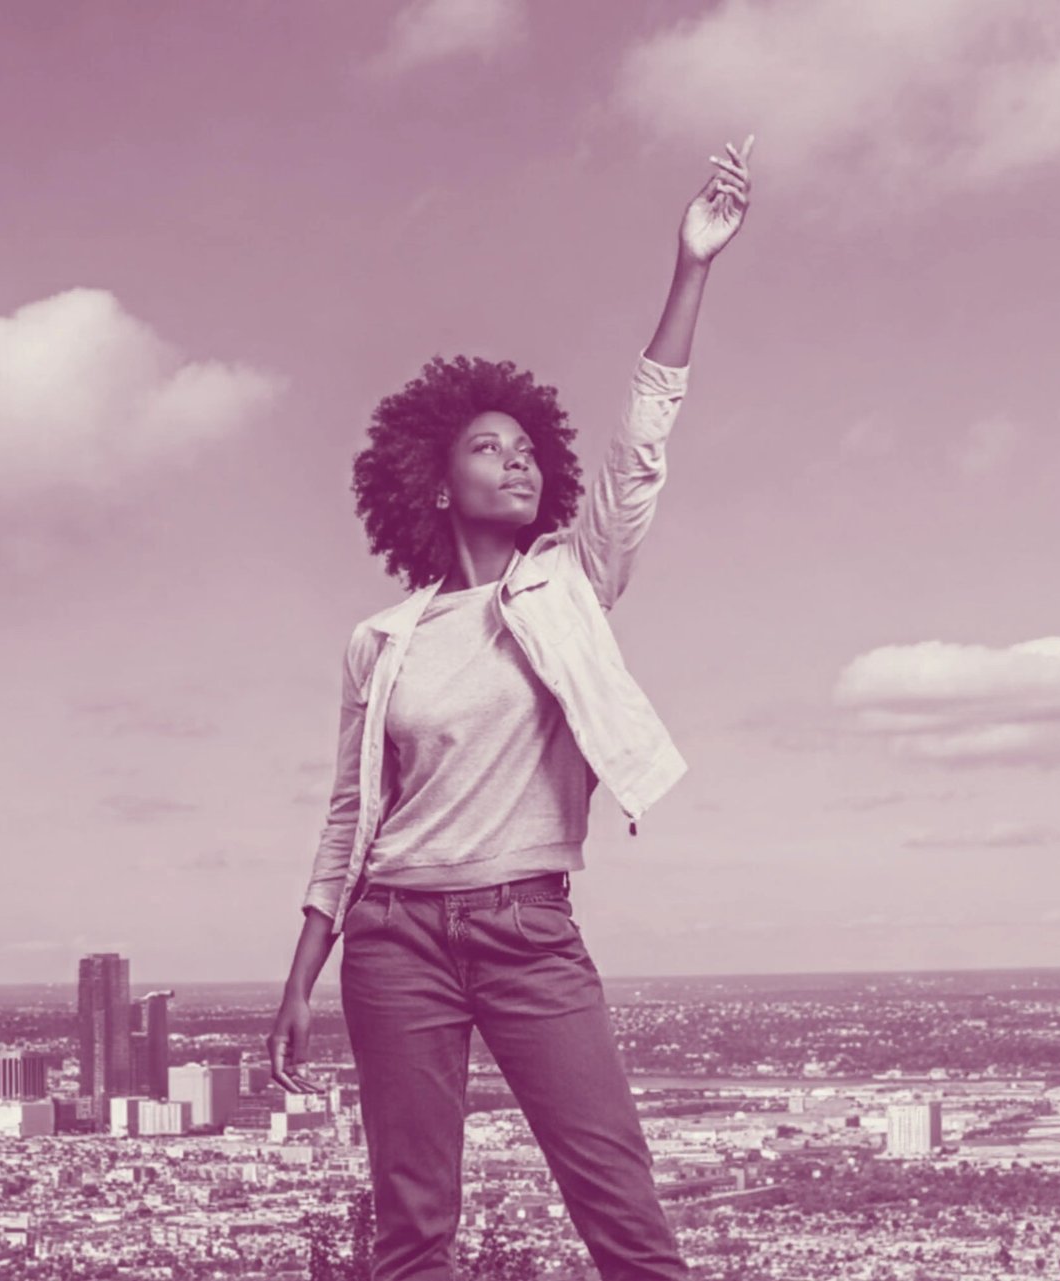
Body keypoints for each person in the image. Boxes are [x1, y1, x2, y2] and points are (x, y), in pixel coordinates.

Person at [267, 136, 755, 1281]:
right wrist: (297, 981)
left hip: (529, 930)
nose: (520, 461)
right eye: (491, 448)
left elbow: (639, 456)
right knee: (412, 1231)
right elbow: (348, 820)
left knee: (622, 1213)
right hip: (391, 943)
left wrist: (691, 270)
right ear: (437, 484)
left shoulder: (571, 584)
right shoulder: (381, 643)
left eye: (532, 449)